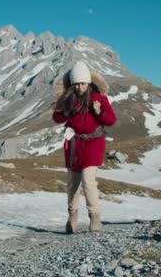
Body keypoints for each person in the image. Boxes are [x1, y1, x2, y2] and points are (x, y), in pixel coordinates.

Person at [52, 62, 116, 233]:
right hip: (74, 145)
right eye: (76, 84)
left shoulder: (100, 99)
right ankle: (72, 217)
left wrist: (99, 112)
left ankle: (95, 218)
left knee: (88, 180)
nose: (80, 87)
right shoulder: (67, 98)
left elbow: (111, 120)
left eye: (83, 83)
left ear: (89, 83)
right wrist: (64, 112)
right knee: (73, 184)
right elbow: (56, 118)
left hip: (94, 144)